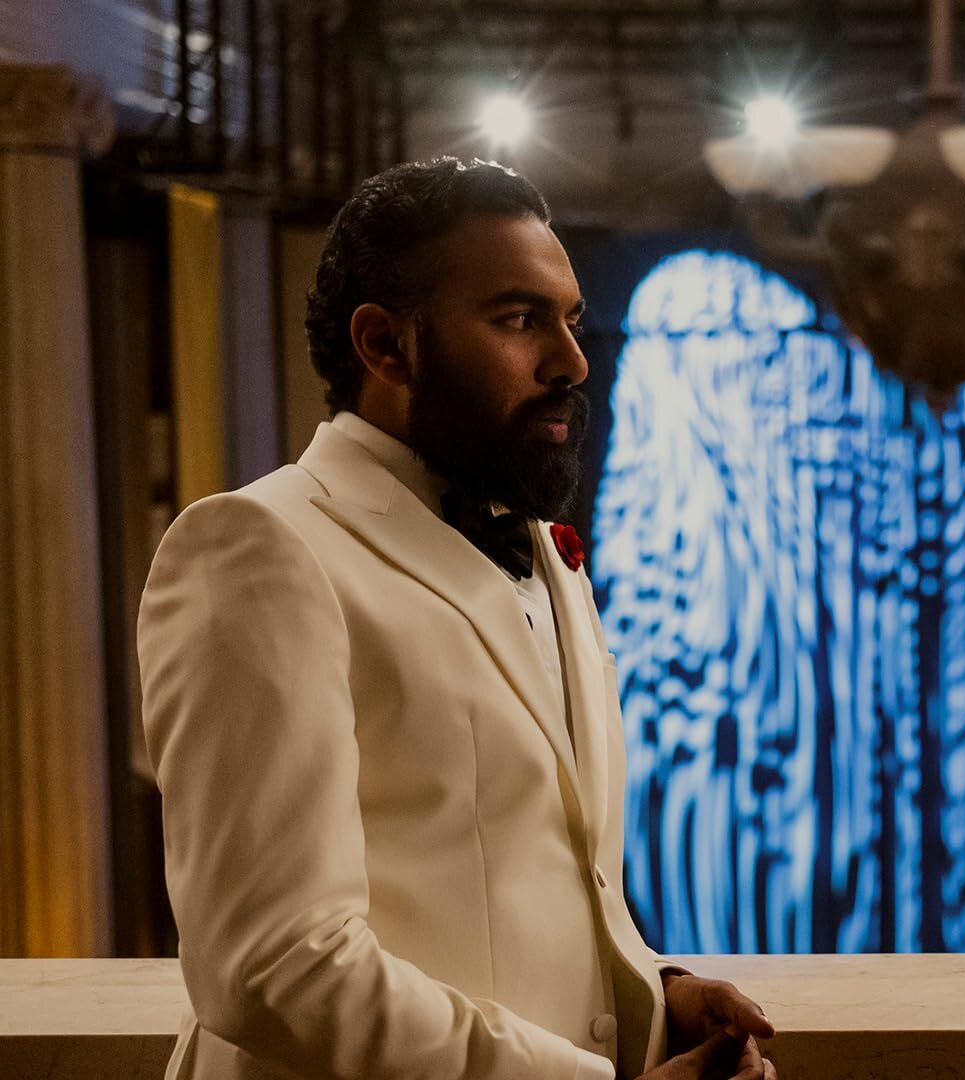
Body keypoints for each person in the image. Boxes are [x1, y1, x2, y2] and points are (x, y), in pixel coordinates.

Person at [138, 157, 775, 1080]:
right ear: (385, 346)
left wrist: (654, 993)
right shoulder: (256, 547)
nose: (572, 360)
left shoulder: (541, 544)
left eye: (569, 319)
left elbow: (549, 876)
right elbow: (273, 965)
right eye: (519, 320)